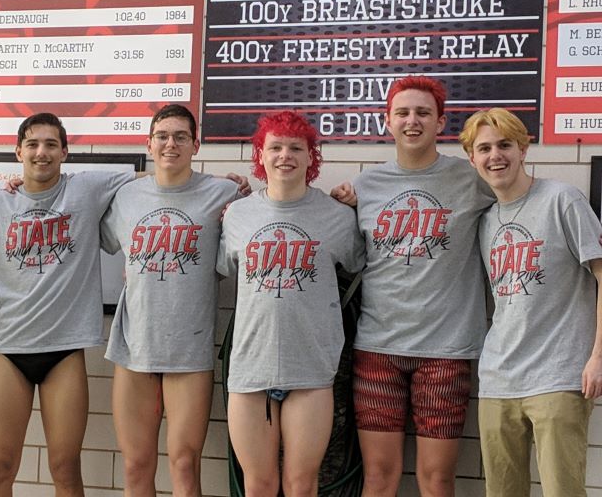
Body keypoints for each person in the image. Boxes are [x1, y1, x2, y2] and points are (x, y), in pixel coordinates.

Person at [0, 112, 137, 497]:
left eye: (51, 144)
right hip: (10, 349)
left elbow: (158, 183)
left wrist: (221, 184)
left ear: (65, 152)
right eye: (33, 144)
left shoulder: (85, 190)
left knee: (65, 468)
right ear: (18, 151)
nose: (42, 152)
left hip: (64, 350)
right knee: (0, 469)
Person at [339, 76, 495, 497]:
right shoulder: (366, 185)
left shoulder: (471, 178)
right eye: (403, 113)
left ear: (441, 121)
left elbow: (520, 194)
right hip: (377, 348)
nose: (413, 121)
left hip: (446, 351)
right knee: (379, 478)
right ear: (386, 121)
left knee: (437, 479)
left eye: (423, 112)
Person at [217, 111, 364, 496]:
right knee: (259, 485)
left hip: (311, 368)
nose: (286, 155)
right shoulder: (236, 215)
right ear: (260, 156)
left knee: (301, 485)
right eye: (276, 147)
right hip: (250, 368)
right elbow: (215, 268)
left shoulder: (337, 216)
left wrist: (354, 203)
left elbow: (361, 265)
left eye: (296, 148)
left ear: (311, 157)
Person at [99, 104, 243, 496]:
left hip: (189, 347)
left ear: (196, 144)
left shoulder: (223, 192)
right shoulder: (126, 196)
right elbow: (78, 216)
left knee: (184, 463)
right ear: (148, 143)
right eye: (162, 136)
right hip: (134, 346)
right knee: (136, 465)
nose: (171, 143)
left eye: (181, 136)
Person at [459, 108, 602, 497]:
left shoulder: (563, 200)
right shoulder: (485, 220)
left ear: (523, 149)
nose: (495, 156)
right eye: (484, 148)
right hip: (498, 379)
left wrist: (598, 356)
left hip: (559, 376)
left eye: (505, 145)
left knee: (563, 491)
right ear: (472, 158)